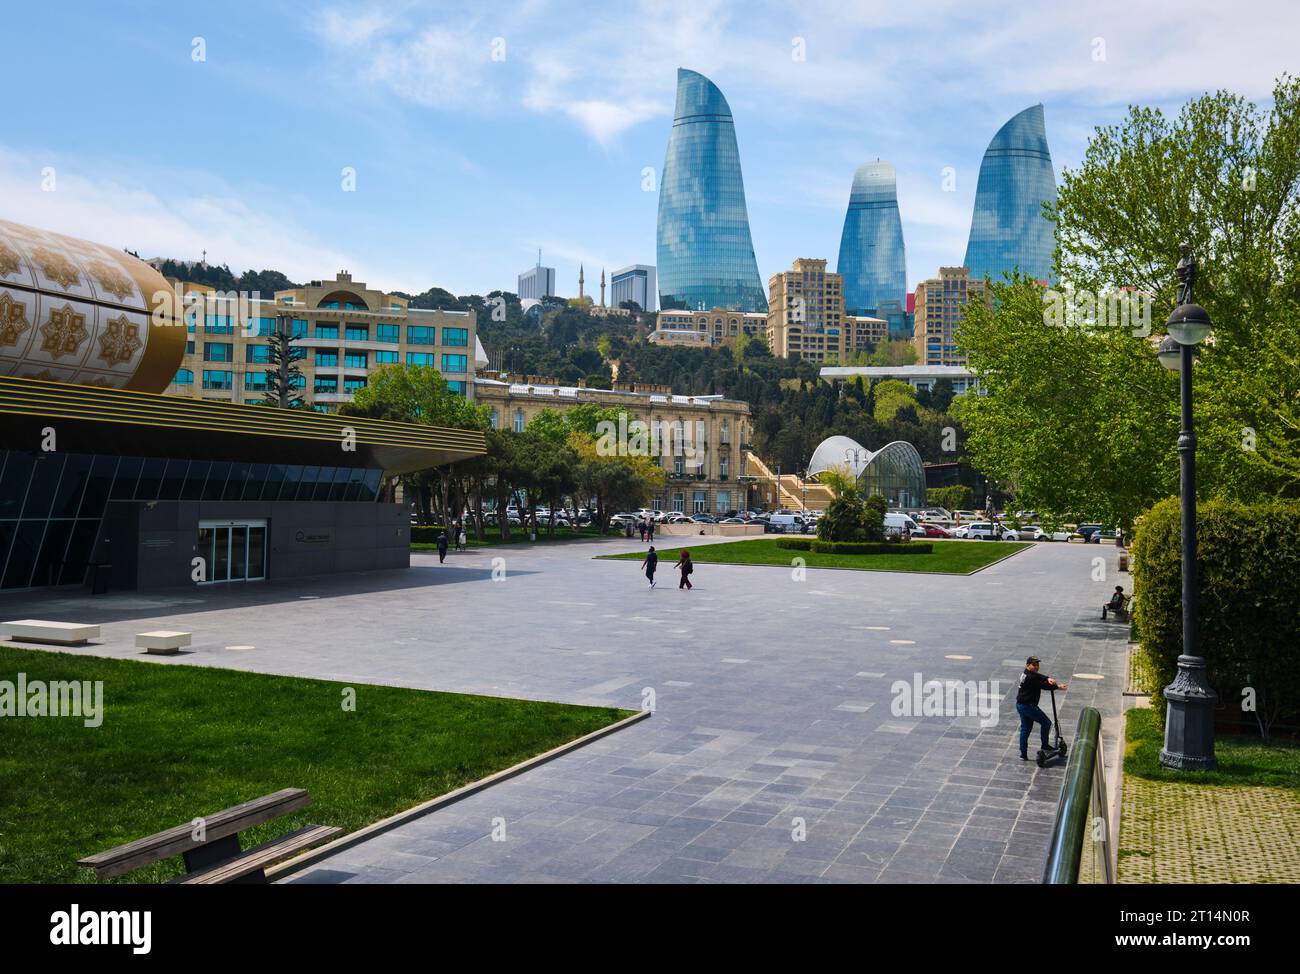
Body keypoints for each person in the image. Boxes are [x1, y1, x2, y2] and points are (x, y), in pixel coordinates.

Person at [1016, 656, 1067, 761]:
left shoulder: (1026, 673)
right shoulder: (1031, 678)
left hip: (1021, 705)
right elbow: (1043, 686)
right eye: (1033, 665)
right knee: (1046, 723)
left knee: (1025, 729)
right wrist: (1057, 686)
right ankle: (1045, 746)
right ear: (1027, 665)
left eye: (1037, 665)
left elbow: (1038, 676)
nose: (1036, 667)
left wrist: (1047, 678)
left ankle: (1023, 754)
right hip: (1028, 706)